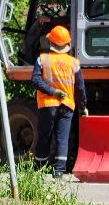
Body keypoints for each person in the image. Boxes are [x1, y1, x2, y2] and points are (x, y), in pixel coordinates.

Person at [32, 24, 87, 177]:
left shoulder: (42, 59)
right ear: (67, 44)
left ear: (50, 43)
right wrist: (83, 107)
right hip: (67, 106)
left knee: (45, 136)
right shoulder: (74, 63)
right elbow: (80, 89)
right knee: (63, 138)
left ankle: (39, 169)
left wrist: (52, 91)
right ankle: (59, 171)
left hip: (48, 105)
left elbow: (35, 80)